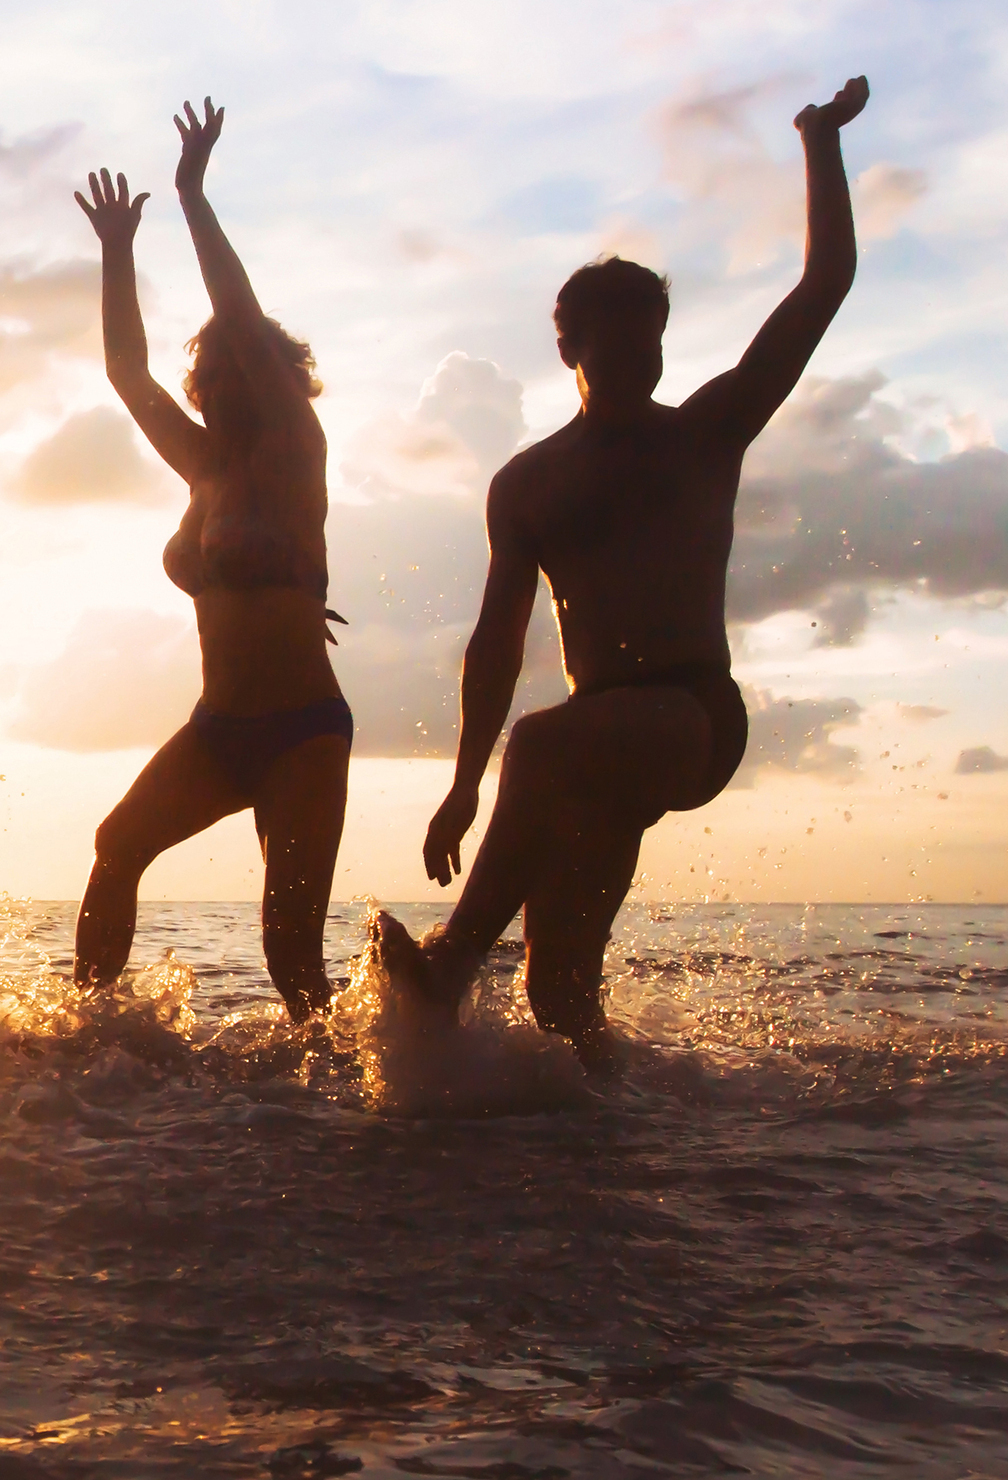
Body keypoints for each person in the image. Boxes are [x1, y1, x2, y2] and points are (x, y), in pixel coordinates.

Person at [373, 78, 872, 1074]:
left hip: (691, 715)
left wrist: (819, 145)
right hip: (595, 748)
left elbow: (823, 286)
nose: (646, 350)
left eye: (656, 332)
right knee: (558, 997)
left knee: (546, 743)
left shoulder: (706, 433)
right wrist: (463, 787)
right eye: (623, 333)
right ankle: (601, 1153)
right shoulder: (527, 485)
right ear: (570, 346)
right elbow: (495, 647)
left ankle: (451, 957)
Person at [67, 101, 351, 1020]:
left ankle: (358, 1108)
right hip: (219, 729)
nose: (223, 380)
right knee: (117, 845)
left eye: (242, 366)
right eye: (212, 372)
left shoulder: (295, 451)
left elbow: (238, 309)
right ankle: (91, 1033)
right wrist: (116, 248)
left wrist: (191, 194)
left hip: (303, 731)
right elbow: (124, 372)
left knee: (289, 959)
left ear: (278, 377)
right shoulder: (201, 466)